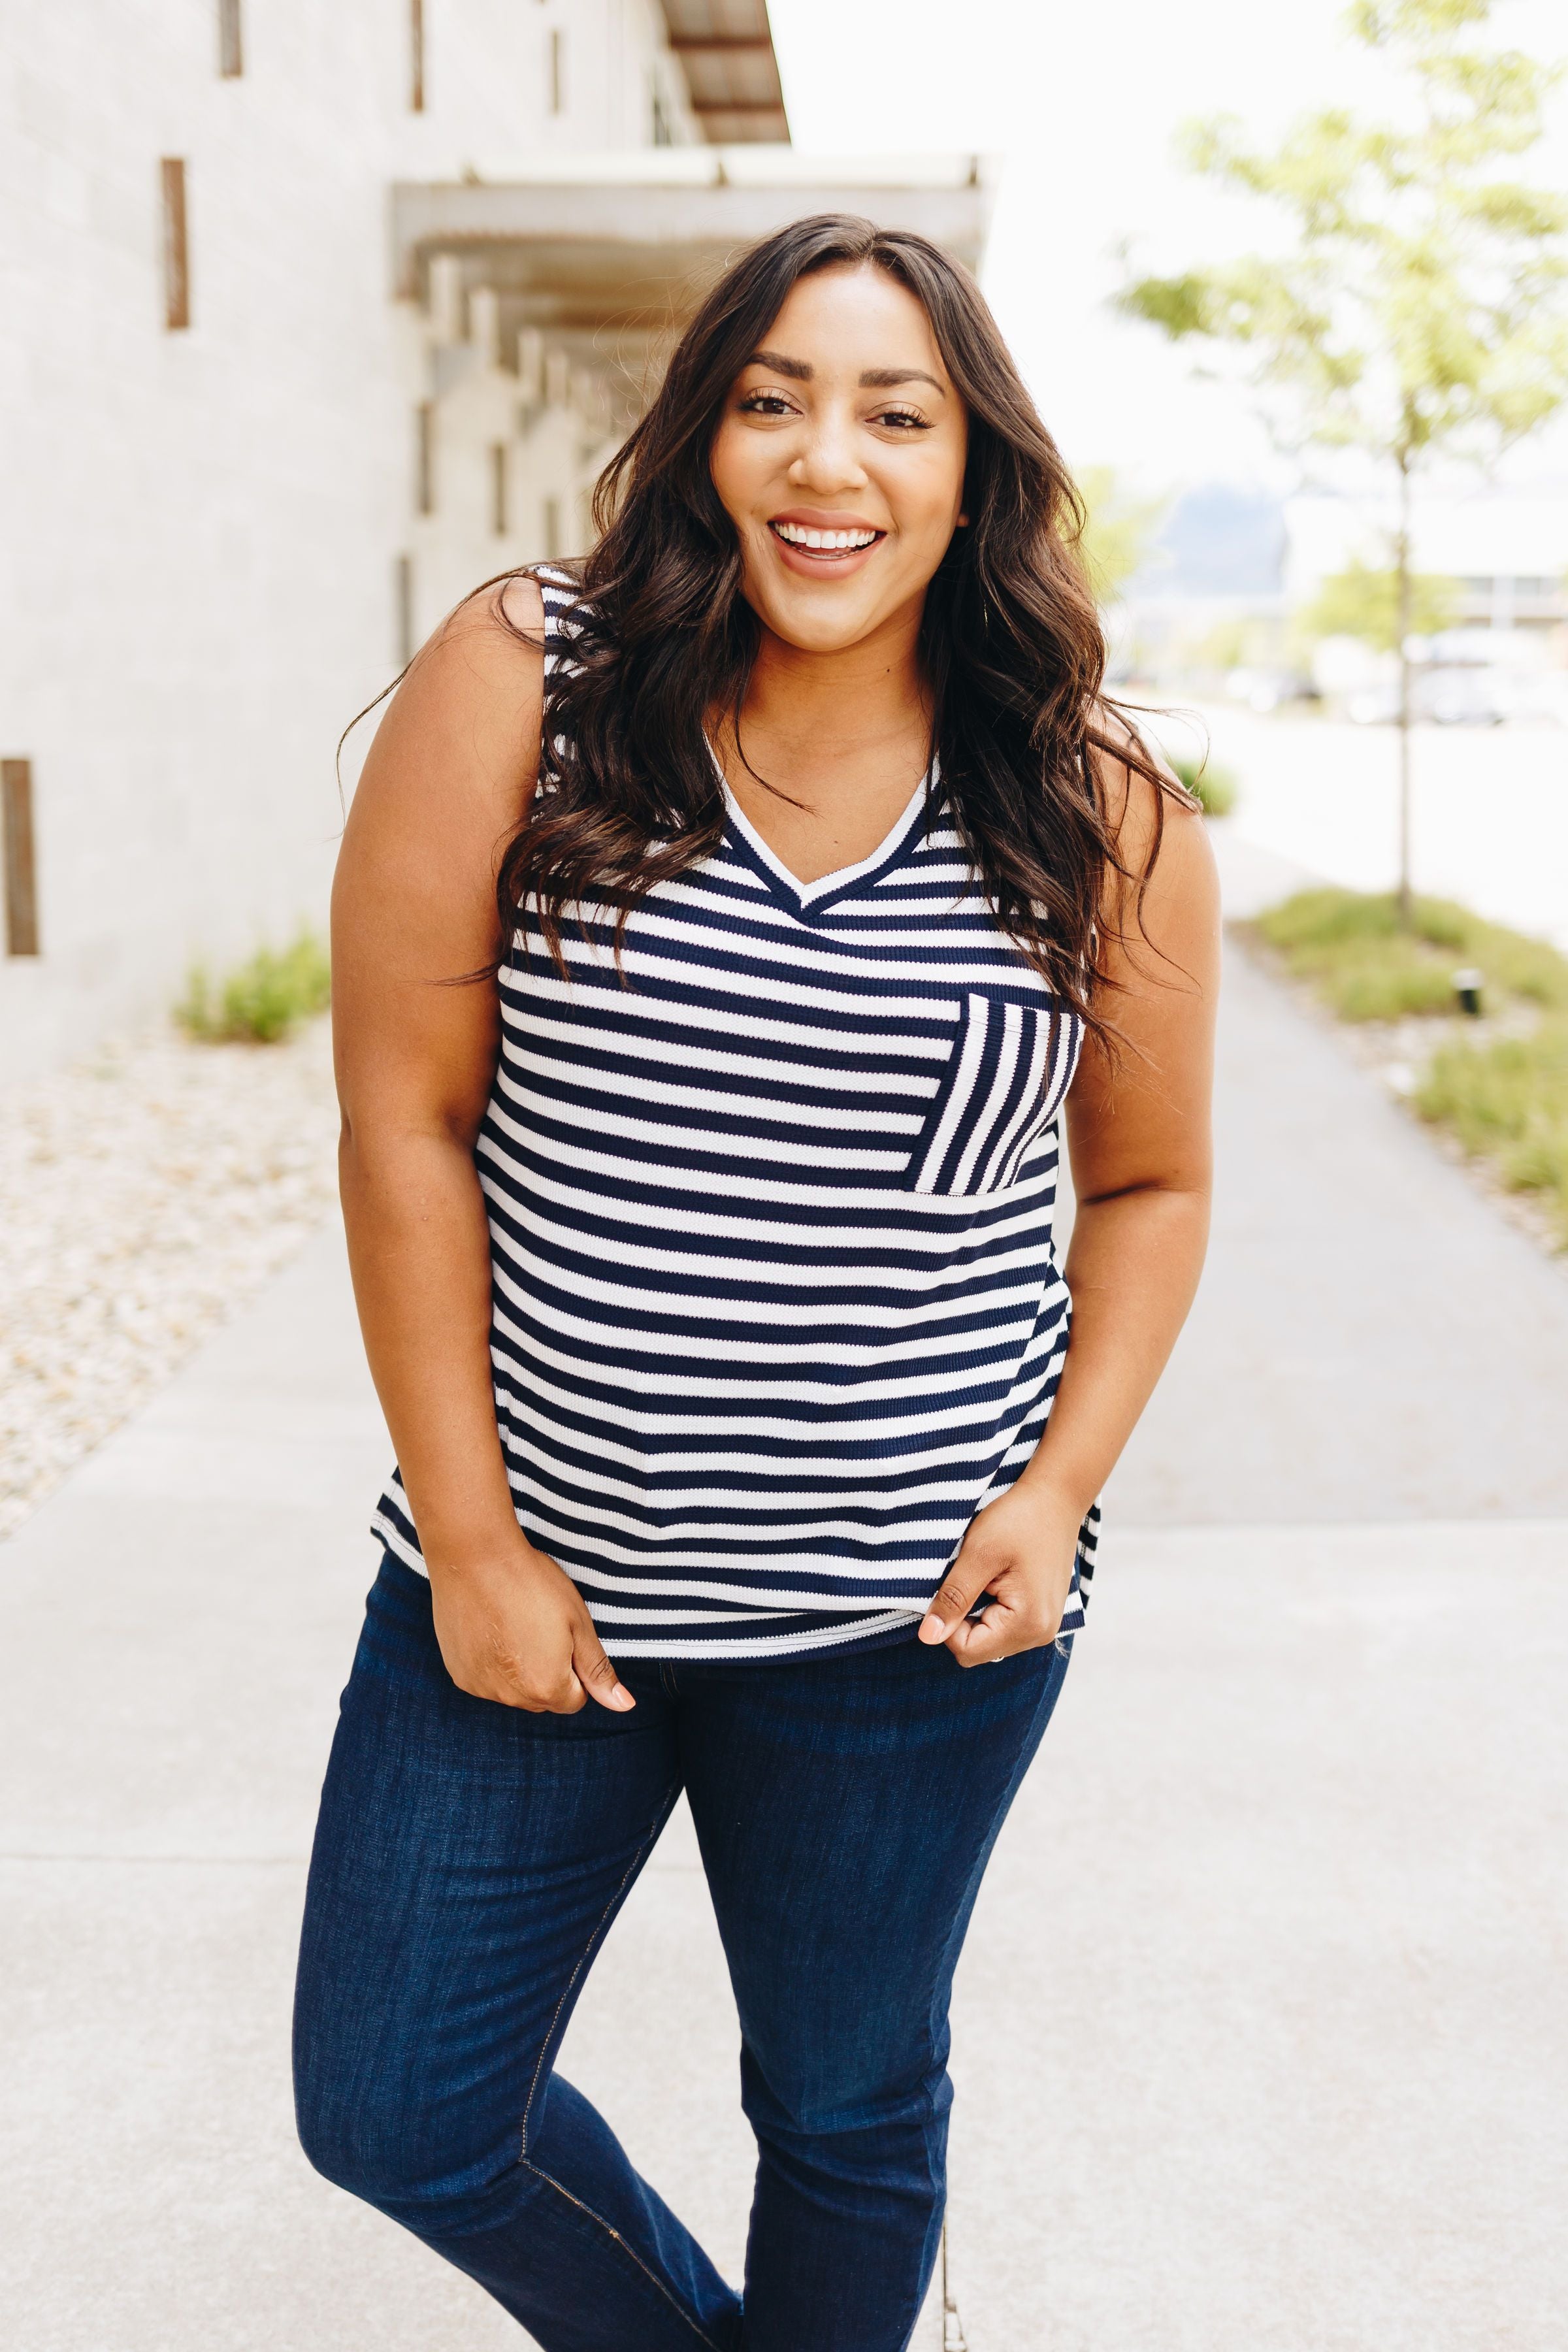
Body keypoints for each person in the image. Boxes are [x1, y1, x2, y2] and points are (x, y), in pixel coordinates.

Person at [293, 214, 1218, 2352]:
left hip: (913, 1621)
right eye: (775, 396)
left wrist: (1056, 1490)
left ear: (973, 470)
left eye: (898, 412)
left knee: (850, 2111)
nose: (831, 460)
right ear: (708, 434)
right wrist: (474, 1540)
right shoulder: (535, 680)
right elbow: (403, 1125)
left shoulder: (1097, 800)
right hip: (540, 1601)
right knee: (403, 2111)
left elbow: (1152, 1186)